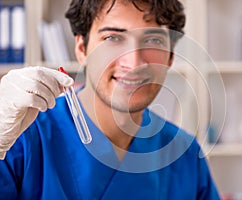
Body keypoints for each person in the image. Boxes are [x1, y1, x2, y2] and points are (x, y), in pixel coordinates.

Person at [0, 0, 220, 199]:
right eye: (113, 38)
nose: (133, 63)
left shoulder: (185, 154)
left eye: (153, 39)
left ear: (171, 56)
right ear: (81, 49)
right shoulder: (21, 137)